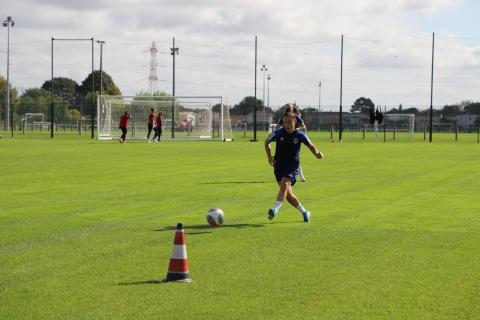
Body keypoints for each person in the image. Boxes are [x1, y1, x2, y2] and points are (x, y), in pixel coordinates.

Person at [264, 112, 324, 222]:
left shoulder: (300, 135)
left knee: (284, 185)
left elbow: (311, 146)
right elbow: (266, 142)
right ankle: (305, 212)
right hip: (279, 166)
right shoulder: (278, 133)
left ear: (295, 121)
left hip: (292, 165)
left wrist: (317, 154)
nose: (286, 125)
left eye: (289, 122)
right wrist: (269, 157)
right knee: (288, 194)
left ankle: (274, 210)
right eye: (284, 122)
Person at [276, 104, 307, 181]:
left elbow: (304, 127)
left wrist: (296, 129)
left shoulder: (296, 117)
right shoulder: (283, 117)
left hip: (295, 138)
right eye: (286, 107)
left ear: (292, 108)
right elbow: (278, 127)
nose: (288, 108)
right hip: (285, 138)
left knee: (295, 157)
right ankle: (284, 175)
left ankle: (300, 175)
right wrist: (281, 129)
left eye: (289, 107)